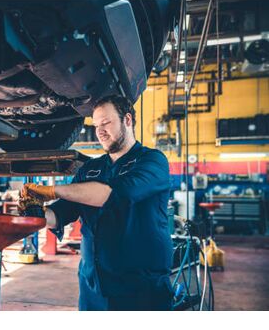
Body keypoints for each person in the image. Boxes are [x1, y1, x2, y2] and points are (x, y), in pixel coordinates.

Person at [22, 95, 173, 311]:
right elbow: (64, 210)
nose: (99, 131)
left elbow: (117, 194)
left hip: (141, 288)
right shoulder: (91, 168)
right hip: (94, 288)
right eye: (95, 125)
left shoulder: (152, 161)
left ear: (127, 120)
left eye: (106, 123)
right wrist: (36, 215)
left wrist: (51, 190)